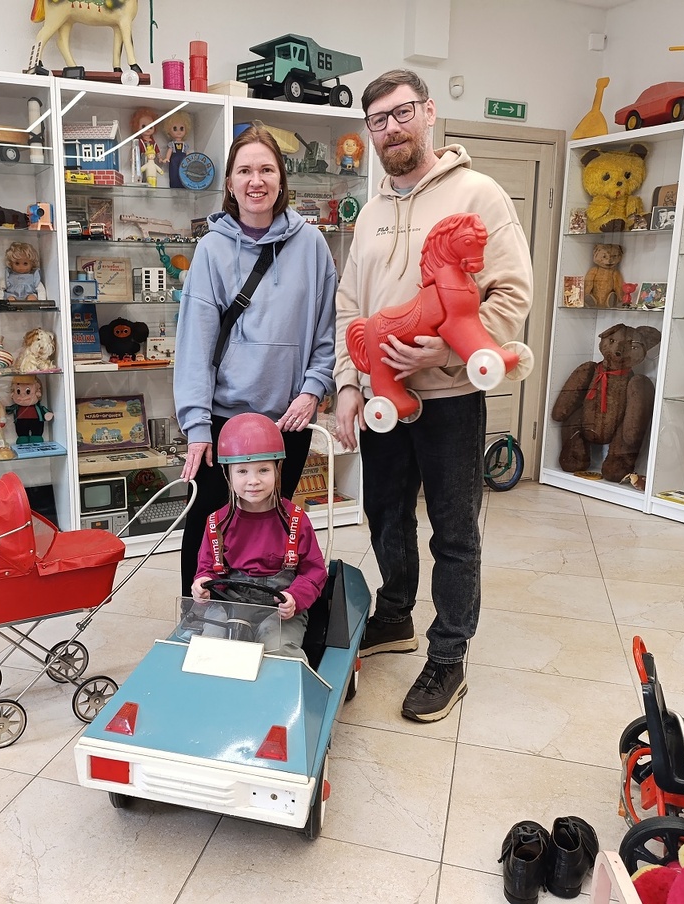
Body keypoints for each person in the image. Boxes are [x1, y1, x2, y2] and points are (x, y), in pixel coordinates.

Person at [333, 69, 533, 723]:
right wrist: (348, 383)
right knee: (385, 516)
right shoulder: (369, 214)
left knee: (453, 530)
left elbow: (510, 295)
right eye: (378, 120)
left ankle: (449, 654)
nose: (391, 128)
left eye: (401, 113)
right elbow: (349, 308)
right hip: (382, 399)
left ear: (428, 112)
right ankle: (395, 616)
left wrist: (444, 352)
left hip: (449, 399)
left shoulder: (479, 194)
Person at [174, 124, 338, 598]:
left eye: (266, 169)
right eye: (244, 170)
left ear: (281, 179)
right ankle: (197, 617)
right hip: (223, 422)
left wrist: (313, 389)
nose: (256, 180)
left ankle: (264, 616)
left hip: (288, 420)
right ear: (229, 183)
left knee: (273, 531)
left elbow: (328, 330)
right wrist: (197, 426)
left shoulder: (312, 245)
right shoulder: (211, 248)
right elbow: (195, 345)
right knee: (208, 528)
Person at [189, 413, 327, 661]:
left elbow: (314, 572)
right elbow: (206, 569)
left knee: (278, 651)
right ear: (228, 474)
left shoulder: (296, 520)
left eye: (263, 470)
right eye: (242, 471)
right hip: (228, 604)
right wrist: (202, 583)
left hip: (281, 608)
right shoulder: (216, 523)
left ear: (277, 470)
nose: (253, 481)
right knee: (209, 649)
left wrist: (295, 597)